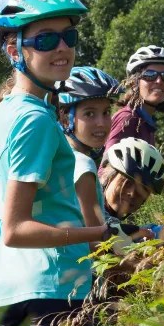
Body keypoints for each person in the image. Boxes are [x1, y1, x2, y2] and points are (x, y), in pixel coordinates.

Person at [0, 0, 113, 326]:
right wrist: (97, 234)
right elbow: (16, 229)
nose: (62, 48)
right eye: (46, 39)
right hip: (53, 290)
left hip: (6, 290)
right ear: (14, 50)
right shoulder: (35, 119)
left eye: (69, 37)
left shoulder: (7, 111)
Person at [55, 66, 123, 236]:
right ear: (65, 118)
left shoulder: (59, 156)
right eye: (90, 114)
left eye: (106, 112)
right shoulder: (82, 165)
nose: (101, 122)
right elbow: (97, 241)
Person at [100, 137, 164, 248]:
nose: (132, 193)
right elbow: (113, 233)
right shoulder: (85, 204)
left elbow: (124, 232)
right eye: (126, 182)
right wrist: (161, 231)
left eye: (142, 189)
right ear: (107, 177)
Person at [103, 45, 164, 150]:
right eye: (150, 75)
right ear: (134, 83)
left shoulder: (145, 121)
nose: (159, 81)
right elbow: (108, 160)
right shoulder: (128, 118)